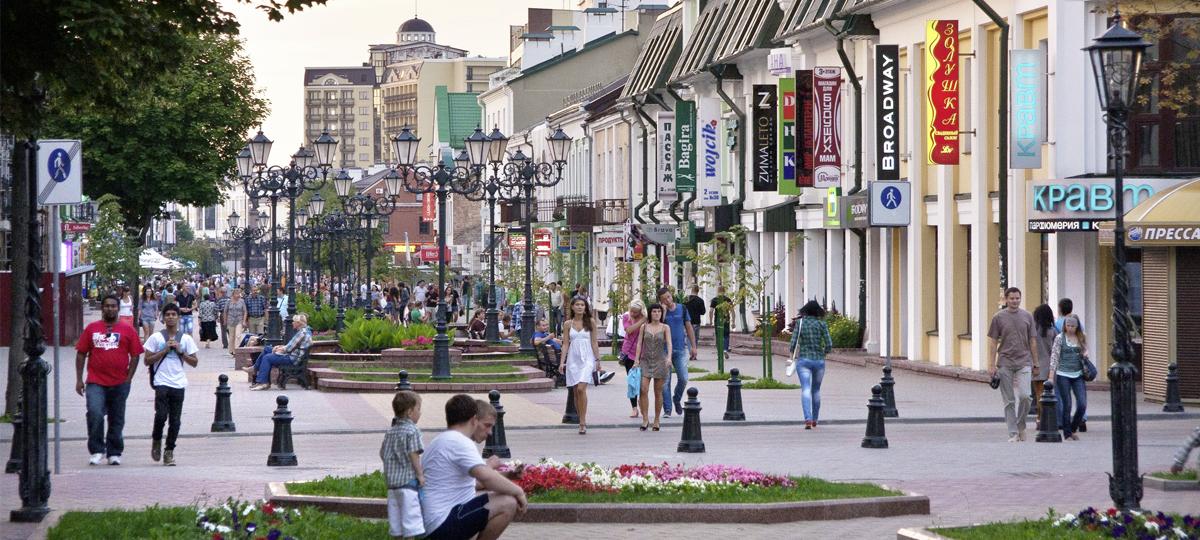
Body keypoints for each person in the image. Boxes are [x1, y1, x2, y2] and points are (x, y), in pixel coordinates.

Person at [422, 395, 526, 540]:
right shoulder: (459, 442)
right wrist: (519, 492)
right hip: (441, 524)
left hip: (434, 523)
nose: (490, 432)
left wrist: (509, 475)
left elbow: (475, 484)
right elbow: (487, 478)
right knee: (507, 502)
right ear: (474, 420)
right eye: (487, 425)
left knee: (491, 495)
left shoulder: (443, 440)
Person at [75, 294, 144, 466]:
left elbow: (135, 355)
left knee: (116, 418)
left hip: (120, 382)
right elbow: (81, 353)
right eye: (107, 306)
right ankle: (97, 450)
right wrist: (79, 379)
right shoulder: (92, 328)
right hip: (95, 381)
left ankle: (114, 452)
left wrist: (128, 378)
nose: (110, 309)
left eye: (113, 306)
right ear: (102, 308)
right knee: (95, 413)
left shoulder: (128, 330)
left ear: (118, 308)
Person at [143, 303, 199, 466]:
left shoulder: (186, 339)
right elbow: (147, 360)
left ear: (179, 317)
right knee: (161, 415)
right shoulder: (156, 338)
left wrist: (181, 351)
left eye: (174, 314)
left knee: (175, 421)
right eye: (167, 314)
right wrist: (164, 351)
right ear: (163, 317)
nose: (171, 317)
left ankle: (169, 451)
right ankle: (156, 439)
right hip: (161, 381)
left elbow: (194, 362)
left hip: (178, 382)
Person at [987, 287, 1040, 442]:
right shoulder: (998, 317)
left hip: (1024, 360)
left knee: (1025, 396)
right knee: (1009, 400)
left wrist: (1036, 363)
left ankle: (1020, 425)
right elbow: (993, 342)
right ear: (1006, 299)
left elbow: (1033, 341)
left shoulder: (1027, 316)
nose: (1015, 301)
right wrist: (991, 364)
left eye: (1017, 298)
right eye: (1012, 298)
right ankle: (1013, 433)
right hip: (1005, 361)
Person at [381, 391, 425, 539]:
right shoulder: (412, 430)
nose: (420, 413)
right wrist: (420, 474)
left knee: (396, 522)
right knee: (410, 521)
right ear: (410, 411)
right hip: (408, 483)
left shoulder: (390, 431)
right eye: (418, 409)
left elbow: (382, 453)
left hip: (392, 485)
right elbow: (414, 453)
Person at [788, 301, 833, 429]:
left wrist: (791, 355)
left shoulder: (800, 323)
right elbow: (829, 344)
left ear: (805, 310)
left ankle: (807, 419)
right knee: (816, 390)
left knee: (806, 389)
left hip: (804, 360)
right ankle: (815, 419)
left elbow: (793, 343)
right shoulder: (822, 324)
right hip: (819, 361)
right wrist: (824, 353)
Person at [560, 297, 601, 434]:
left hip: (587, 358)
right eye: (577, 304)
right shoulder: (567, 324)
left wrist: (597, 360)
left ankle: (583, 422)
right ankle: (580, 419)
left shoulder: (591, 322)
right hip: (573, 359)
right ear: (572, 307)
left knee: (581, 388)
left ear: (585, 307)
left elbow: (594, 342)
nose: (579, 307)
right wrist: (562, 362)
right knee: (576, 391)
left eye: (582, 305)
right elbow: (565, 344)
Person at [243, 313, 313, 390]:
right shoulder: (305, 331)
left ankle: (263, 382)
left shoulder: (302, 333)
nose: (292, 323)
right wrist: (278, 347)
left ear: (298, 323)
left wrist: (277, 349)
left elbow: (288, 349)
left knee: (267, 358)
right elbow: (290, 346)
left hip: (292, 358)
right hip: (292, 355)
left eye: (294, 321)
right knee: (267, 349)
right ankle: (255, 368)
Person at [657, 287, 697, 418]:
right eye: (664, 299)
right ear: (660, 301)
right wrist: (663, 312)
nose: (668, 301)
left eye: (669, 297)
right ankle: (667, 409)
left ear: (671, 295)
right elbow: (657, 328)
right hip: (664, 351)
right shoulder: (659, 312)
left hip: (680, 349)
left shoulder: (682, 308)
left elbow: (689, 327)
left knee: (683, 378)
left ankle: (677, 398)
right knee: (665, 382)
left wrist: (693, 346)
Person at [1048, 314, 1089, 440]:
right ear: (1065, 326)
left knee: (1082, 404)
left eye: (1073, 326)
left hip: (1078, 374)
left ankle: (1073, 427)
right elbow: (1054, 357)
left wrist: (1085, 353)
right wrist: (1051, 377)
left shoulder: (1081, 337)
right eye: (1068, 325)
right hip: (1063, 374)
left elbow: (1085, 350)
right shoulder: (1060, 338)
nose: (1070, 328)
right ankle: (1067, 433)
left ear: (1077, 327)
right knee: (1067, 404)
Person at [634, 303, 671, 431]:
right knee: (643, 389)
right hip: (645, 361)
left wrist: (669, 357)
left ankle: (656, 419)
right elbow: (639, 344)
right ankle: (645, 419)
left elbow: (669, 343)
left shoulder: (665, 327)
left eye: (659, 311)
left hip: (660, 361)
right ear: (650, 313)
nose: (656, 314)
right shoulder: (644, 327)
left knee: (658, 391)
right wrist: (636, 360)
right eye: (654, 311)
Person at [620, 300, 647, 418]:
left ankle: (642, 402)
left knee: (642, 383)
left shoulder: (647, 319)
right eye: (631, 311)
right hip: (629, 353)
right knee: (632, 382)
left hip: (643, 354)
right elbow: (629, 330)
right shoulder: (626, 317)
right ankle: (634, 408)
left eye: (635, 312)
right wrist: (642, 321)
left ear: (641, 311)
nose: (633, 314)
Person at [1032, 304, 1058, 423]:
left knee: (1038, 393)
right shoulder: (1052, 331)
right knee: (1050, 394)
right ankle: (1047, 419)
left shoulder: (1033, 331)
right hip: (1050, 366)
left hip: (1036, 365)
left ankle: (1039, 418)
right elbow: (1055, 349)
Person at [710, 286, 733, 353]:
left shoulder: (714, 300)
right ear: (724, 291)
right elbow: (732, 311)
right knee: (726, 335)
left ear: (717, 291)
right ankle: (725, 349)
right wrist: (733, 321)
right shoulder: (728, 300)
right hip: (726, 319)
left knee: (718, 335)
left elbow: (711, 311)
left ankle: (720, 350)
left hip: (717, 319)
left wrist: (710, 321)